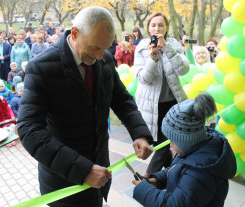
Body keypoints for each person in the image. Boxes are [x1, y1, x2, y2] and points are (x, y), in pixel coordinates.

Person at [17, 6, 153, 207]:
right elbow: (29, 129)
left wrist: (139, 132)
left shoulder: (104, 59)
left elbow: (123, 101)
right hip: (64, 184)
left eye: (105, 48)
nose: (99, 57)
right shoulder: (41, 67)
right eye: (95, 48)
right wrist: (82, 170)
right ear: (74, 33)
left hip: (100, 175)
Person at [132, 93, 237, 207]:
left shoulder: (200, 173)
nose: (170, 144)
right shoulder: (194, 150)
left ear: (185, 140)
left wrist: (143, 190)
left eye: (172, 140)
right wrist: (157, 180)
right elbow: (176, 170)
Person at [134, 12, 189, 175]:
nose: (157, 28)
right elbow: (143, 78)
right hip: (151, 105)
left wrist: (167, 48)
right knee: (161, 143)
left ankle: (151, 177)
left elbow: (183, 70)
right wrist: (153, 59)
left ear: (166, 28)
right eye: (153, 25)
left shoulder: (173, 44)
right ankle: (168, 173)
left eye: (160, 25)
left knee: (165, 143)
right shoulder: (142, 47)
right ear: (148, 28)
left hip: (173, 103)